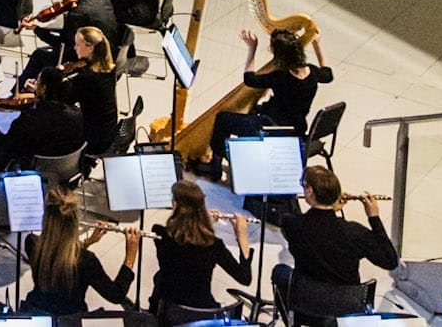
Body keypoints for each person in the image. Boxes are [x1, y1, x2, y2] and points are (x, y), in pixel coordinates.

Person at [200, 28, 334, 177]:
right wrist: (317, 44)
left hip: (272, 129)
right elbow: (328, 74)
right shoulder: (313, 73)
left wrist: (252, 48)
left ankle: (216, 166)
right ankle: (246, 159)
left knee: (222, 119)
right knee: (253, 110)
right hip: (297, 130)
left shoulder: (281, 76)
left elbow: (249, 78)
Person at [275, 166, 398, 312]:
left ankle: (290, 318)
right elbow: (390, 261)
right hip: (347, 305)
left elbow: (314, 229)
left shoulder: (291, 223)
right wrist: (374, 217)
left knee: (280, 271)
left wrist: (330, 209)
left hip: (306, 303)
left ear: (309, 191)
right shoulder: (355, 232)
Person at [22, 189, 140, 318]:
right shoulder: (87, 261)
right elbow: (116, 295)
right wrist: (130, 255)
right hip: (70, 320)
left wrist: (88, 242)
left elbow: (59, 255)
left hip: (37, 314)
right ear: (75, 221)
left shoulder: (32, 244)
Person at [149, 180, 252, 320]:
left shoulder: (160, 235)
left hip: (168, 313)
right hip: (201, 314)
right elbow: (244, 278)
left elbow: (185, 247)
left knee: (160, 276)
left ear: (175, 205)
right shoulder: (214, 246)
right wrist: (242, 236)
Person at [0, 66, 84, 181]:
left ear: (44, 88)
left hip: (32, 173)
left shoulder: (30, 118)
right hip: (66, 174)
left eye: (38, 83)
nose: (36, 86)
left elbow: (3, 145)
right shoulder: (77, 114)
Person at [58, 26, 122, 156]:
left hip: (94, 140)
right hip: (108, 130)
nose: (75, 48)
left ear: (90, 48)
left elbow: (62, 98)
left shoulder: (88, 79)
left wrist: (57, 78)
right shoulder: (109, 68)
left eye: (77, 44)